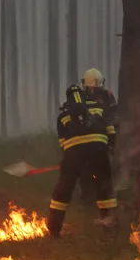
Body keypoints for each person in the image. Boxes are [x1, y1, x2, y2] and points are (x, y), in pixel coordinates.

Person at [47, 81, 117, 238]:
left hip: (74, 155)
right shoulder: (98, 108)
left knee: (63, 190)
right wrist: (110, 147)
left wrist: (67, 163)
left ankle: (54, 229)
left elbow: (63, 144)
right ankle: (110, 226)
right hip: (99, 151)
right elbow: (110, 129)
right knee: (104, 185)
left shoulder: (62, 117)